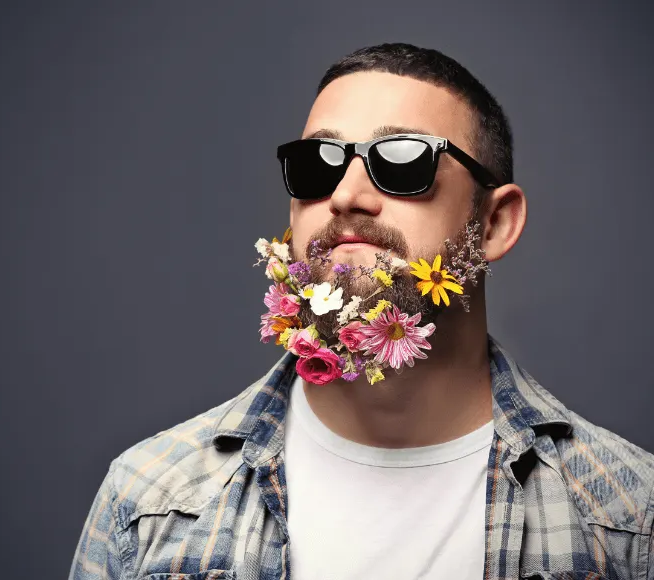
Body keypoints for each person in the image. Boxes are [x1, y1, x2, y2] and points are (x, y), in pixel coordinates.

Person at [68, 43, 654, 580]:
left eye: (402, 160)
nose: (346, 194)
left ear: (495, 222)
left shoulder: (629, 519)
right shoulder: (146, 501)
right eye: (316, 163)